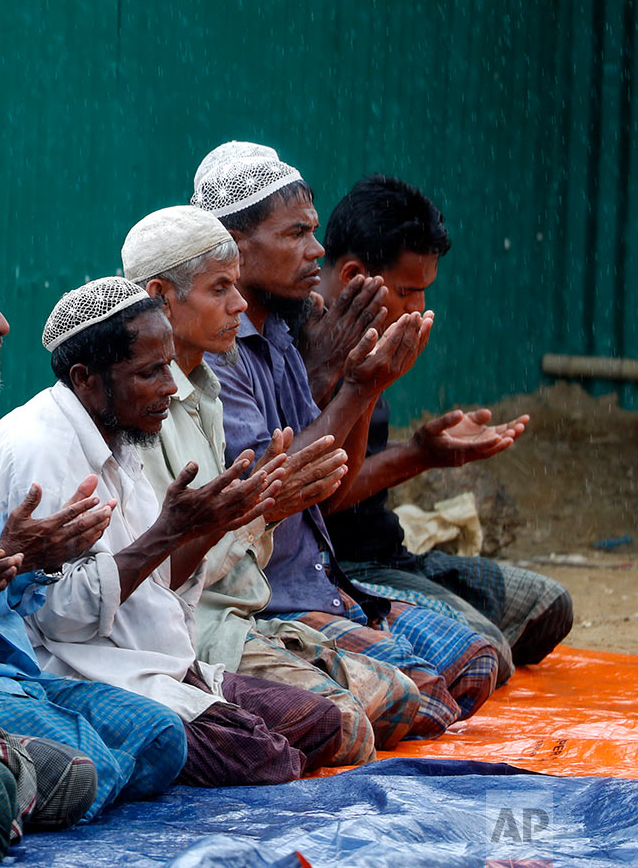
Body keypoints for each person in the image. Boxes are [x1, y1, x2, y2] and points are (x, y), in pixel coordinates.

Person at [190, 142, 499, 738]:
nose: (316, 250)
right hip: (270, 599)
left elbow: (326, 494)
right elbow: (277, 489)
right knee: (426, 700)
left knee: (475, 663)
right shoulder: (217, 353)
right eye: (296, 235)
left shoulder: (285, 325)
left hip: (326, 581)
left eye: (313, 231)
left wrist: (366, 381)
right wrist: (358, 386)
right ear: (232, 243)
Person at [0, 276, 343, 785]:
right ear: (86, 378)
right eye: (150, 372)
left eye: (168, 369)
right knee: (267, 757)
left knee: (322, 724)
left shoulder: (122, 434)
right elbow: (62, 618)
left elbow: (157, 582)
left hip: (163, 660)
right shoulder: (36, 449)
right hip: (90, 672)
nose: (170, 388)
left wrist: (221, 521)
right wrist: (168, 533)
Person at [0, 226, 187, 821]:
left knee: (162, 739)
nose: (2, 324)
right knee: (92, 764)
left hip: (9, 676)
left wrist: (29, 558)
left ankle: (5, 782)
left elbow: (2, 588)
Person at [123, 205, 423, 763]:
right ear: (162, 296)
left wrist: (262, 506)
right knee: (350, 730)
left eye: (236, 288)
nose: (239, 306)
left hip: (241, 614)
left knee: (406, 700)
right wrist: (257, 508)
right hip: (196, 631)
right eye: (220, 290)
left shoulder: (206, 387)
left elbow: (305, 501)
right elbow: (156, 574)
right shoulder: (140, 407)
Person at [311, 175, 573, 671]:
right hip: (337, 568)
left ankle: (423, 637)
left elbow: (356, 469)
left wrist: (425, 451)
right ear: (351, 276)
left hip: (390, 555)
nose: (419, 308)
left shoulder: (374, 332)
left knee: (549, 605)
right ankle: (408, 643)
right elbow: (324, 499)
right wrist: (416, 452)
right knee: (483, 650)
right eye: (409, 291)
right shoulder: (307, 349)